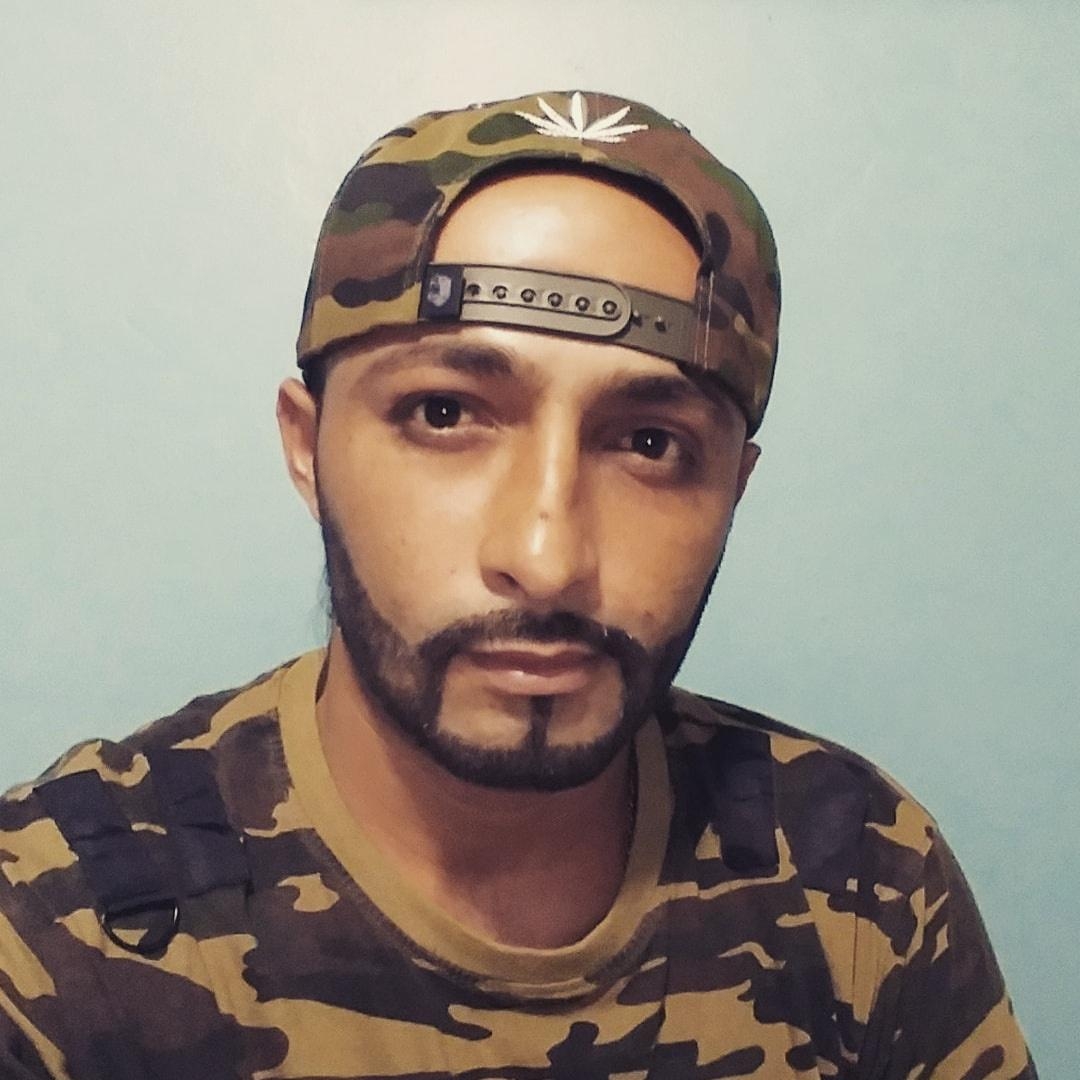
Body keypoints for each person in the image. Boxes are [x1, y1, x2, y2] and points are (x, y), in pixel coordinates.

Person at [0, 89, 1036, 1079]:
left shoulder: (857, 878)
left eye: (649, 443)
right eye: (445, 414)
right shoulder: (52, 926)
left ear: (734, 488)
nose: (547, 559)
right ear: (308, 448)